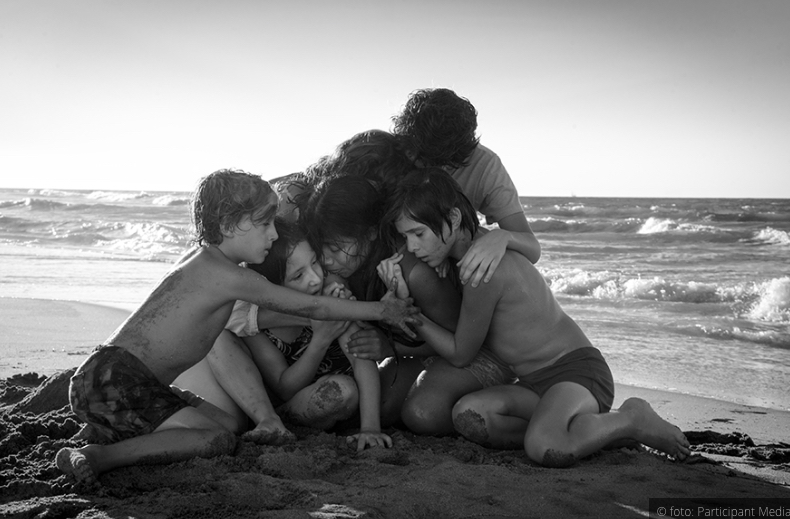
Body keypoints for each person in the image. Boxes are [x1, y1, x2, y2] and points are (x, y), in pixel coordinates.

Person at [55, 169, 420, 485]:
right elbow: (311, 307)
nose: (273, 235)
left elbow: (278, 315)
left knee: (230, 426)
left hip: (118, 378)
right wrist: (383, 310)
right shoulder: (225, 275)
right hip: (115, 378)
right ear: (229, 226)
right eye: (264, 224)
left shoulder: (206, 262)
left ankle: (111, 428)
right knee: (216, 440)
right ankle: (100, 456)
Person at [382, 168, 691, 467]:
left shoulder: (481, 270)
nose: (411, 247)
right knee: (470, 415)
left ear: (452, 218)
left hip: (575, 373)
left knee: (544, 447)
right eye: (406, 237)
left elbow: (461, 354)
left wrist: (408, 315)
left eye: (418, 233)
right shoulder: (475, 249)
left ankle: (630, 417)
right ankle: (592, 432)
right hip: (532, 384)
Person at [301, 174, 517, 435]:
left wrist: (390, 347)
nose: (327, 260)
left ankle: (506, 404)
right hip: (421, 355)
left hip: (475, 355)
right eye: (321, 249)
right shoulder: (347, 268)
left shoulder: (415, 271)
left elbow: (461, 344)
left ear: (370, 233)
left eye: (336, 249)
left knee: (422, 413)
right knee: (379, 408)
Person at [181, 219, 392, 452]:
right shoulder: (256, 324)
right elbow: (285, 387)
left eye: (315, 262)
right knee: (339, 391)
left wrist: (371, 428)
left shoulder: (331, 298)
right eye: (298, 276)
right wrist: (320, 341)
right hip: (297, 403)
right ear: (273, 289)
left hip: (344, 404)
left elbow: (362, 360)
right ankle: (274, 419)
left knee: (344, 391)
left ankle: (277, 420)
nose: (315, 278)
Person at [392, 87, 542, 287]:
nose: (432, 172)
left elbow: (532, 250)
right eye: (420, 160)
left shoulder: (485, 167)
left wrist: (502, 237)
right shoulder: (399, 151)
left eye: (442, 164)